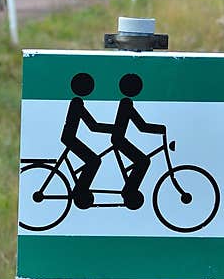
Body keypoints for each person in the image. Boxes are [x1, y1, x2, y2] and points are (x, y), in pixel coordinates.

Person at [111, 73, 167, 210]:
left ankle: (129, 190)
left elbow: (141, 126)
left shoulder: (126, 102)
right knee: (143, 161)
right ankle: (129, 191)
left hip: (119, 138)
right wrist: (161, 129)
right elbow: (141, 126)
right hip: (119, 140)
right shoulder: (126, 103)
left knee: (142, 161)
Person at [60, 73, 115, 209]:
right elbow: (92, 126)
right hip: (69, 139)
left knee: (93, 161)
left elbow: (92, 126)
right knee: (94, 161)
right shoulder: (77, 103)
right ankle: (80, 191)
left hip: (69, 137)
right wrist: (115, 128)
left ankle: (80, 189)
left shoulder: (76, 101)